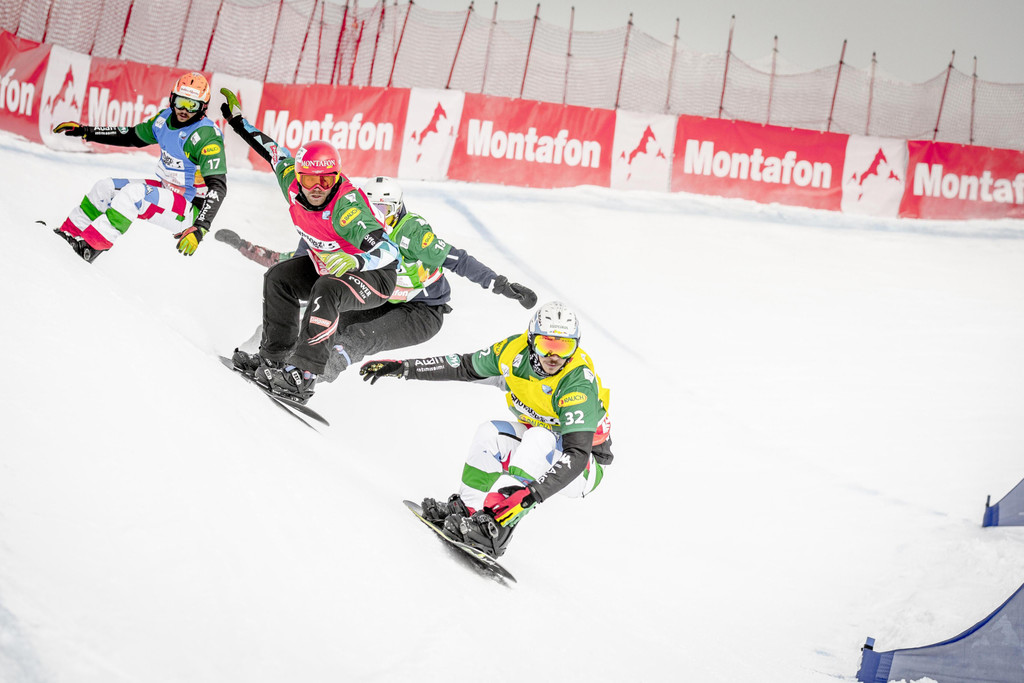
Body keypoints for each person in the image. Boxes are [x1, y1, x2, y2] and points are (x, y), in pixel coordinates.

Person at [214, 176, 537, 381]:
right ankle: (277, 364)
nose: (378, 217)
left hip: (421, 310)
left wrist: (503, 286)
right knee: (320, 323)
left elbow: (458, 260)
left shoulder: (411, 233)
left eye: (385, 209)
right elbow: (295, 261)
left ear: (397, 210)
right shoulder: (347, 224)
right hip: (380, 296)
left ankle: (307, 378)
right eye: (372, 207)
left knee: (356, 338)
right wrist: (246, 247)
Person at [359, 301, 613, 558]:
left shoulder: (577, 381)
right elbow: (464, 366)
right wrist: (405, 367)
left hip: (583, 468)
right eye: (547, 345)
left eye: (564, 347)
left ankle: (496, 530)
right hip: (546, 446)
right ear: (530, 340)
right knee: (490, 434)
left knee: (537, 437)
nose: (554, 357)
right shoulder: (512, 353)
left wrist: (531, 495)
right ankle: (468, 512)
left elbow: (577, 454)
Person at [218, 88, 402, 405]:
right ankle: (272, 361)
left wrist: (355, 262)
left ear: (337, 177)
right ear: (298, 177)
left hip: (374, 277)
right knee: (279, 279)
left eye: (327, 181)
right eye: (310, 181)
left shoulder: (347, 210)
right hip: (328, 265)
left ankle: (303, 376)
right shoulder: (289, 178)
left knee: (328, 289)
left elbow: (390, 252)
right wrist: (237, 121)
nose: (317, 189)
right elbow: (271, 150)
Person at [51, 72, 228, 262]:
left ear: (203, 107)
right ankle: (69, 234)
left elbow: (218, 187)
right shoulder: (165, 119)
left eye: (192, 105)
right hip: (169, 191)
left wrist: (200, 228)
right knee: (105, 187)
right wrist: (86, 131)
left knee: (134, 195)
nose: (184, 110)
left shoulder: (207, 136)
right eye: (180, 102)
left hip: (191, 210)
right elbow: (132, 136)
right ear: (172, 98)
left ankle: (89, 247)